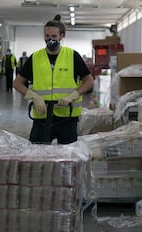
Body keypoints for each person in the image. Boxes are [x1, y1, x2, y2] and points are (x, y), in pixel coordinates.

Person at [13, 14, 94, 144]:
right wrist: (33, 96)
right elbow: (17, 83)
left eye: (54, 37)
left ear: (62, 36)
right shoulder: (35, 57)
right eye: (47, 36)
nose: (50, 39)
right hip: (42, 115)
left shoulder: (72, 56)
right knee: (38, 154)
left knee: (68, 155)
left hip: (67, 116)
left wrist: (73, 95)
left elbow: (89, 81)